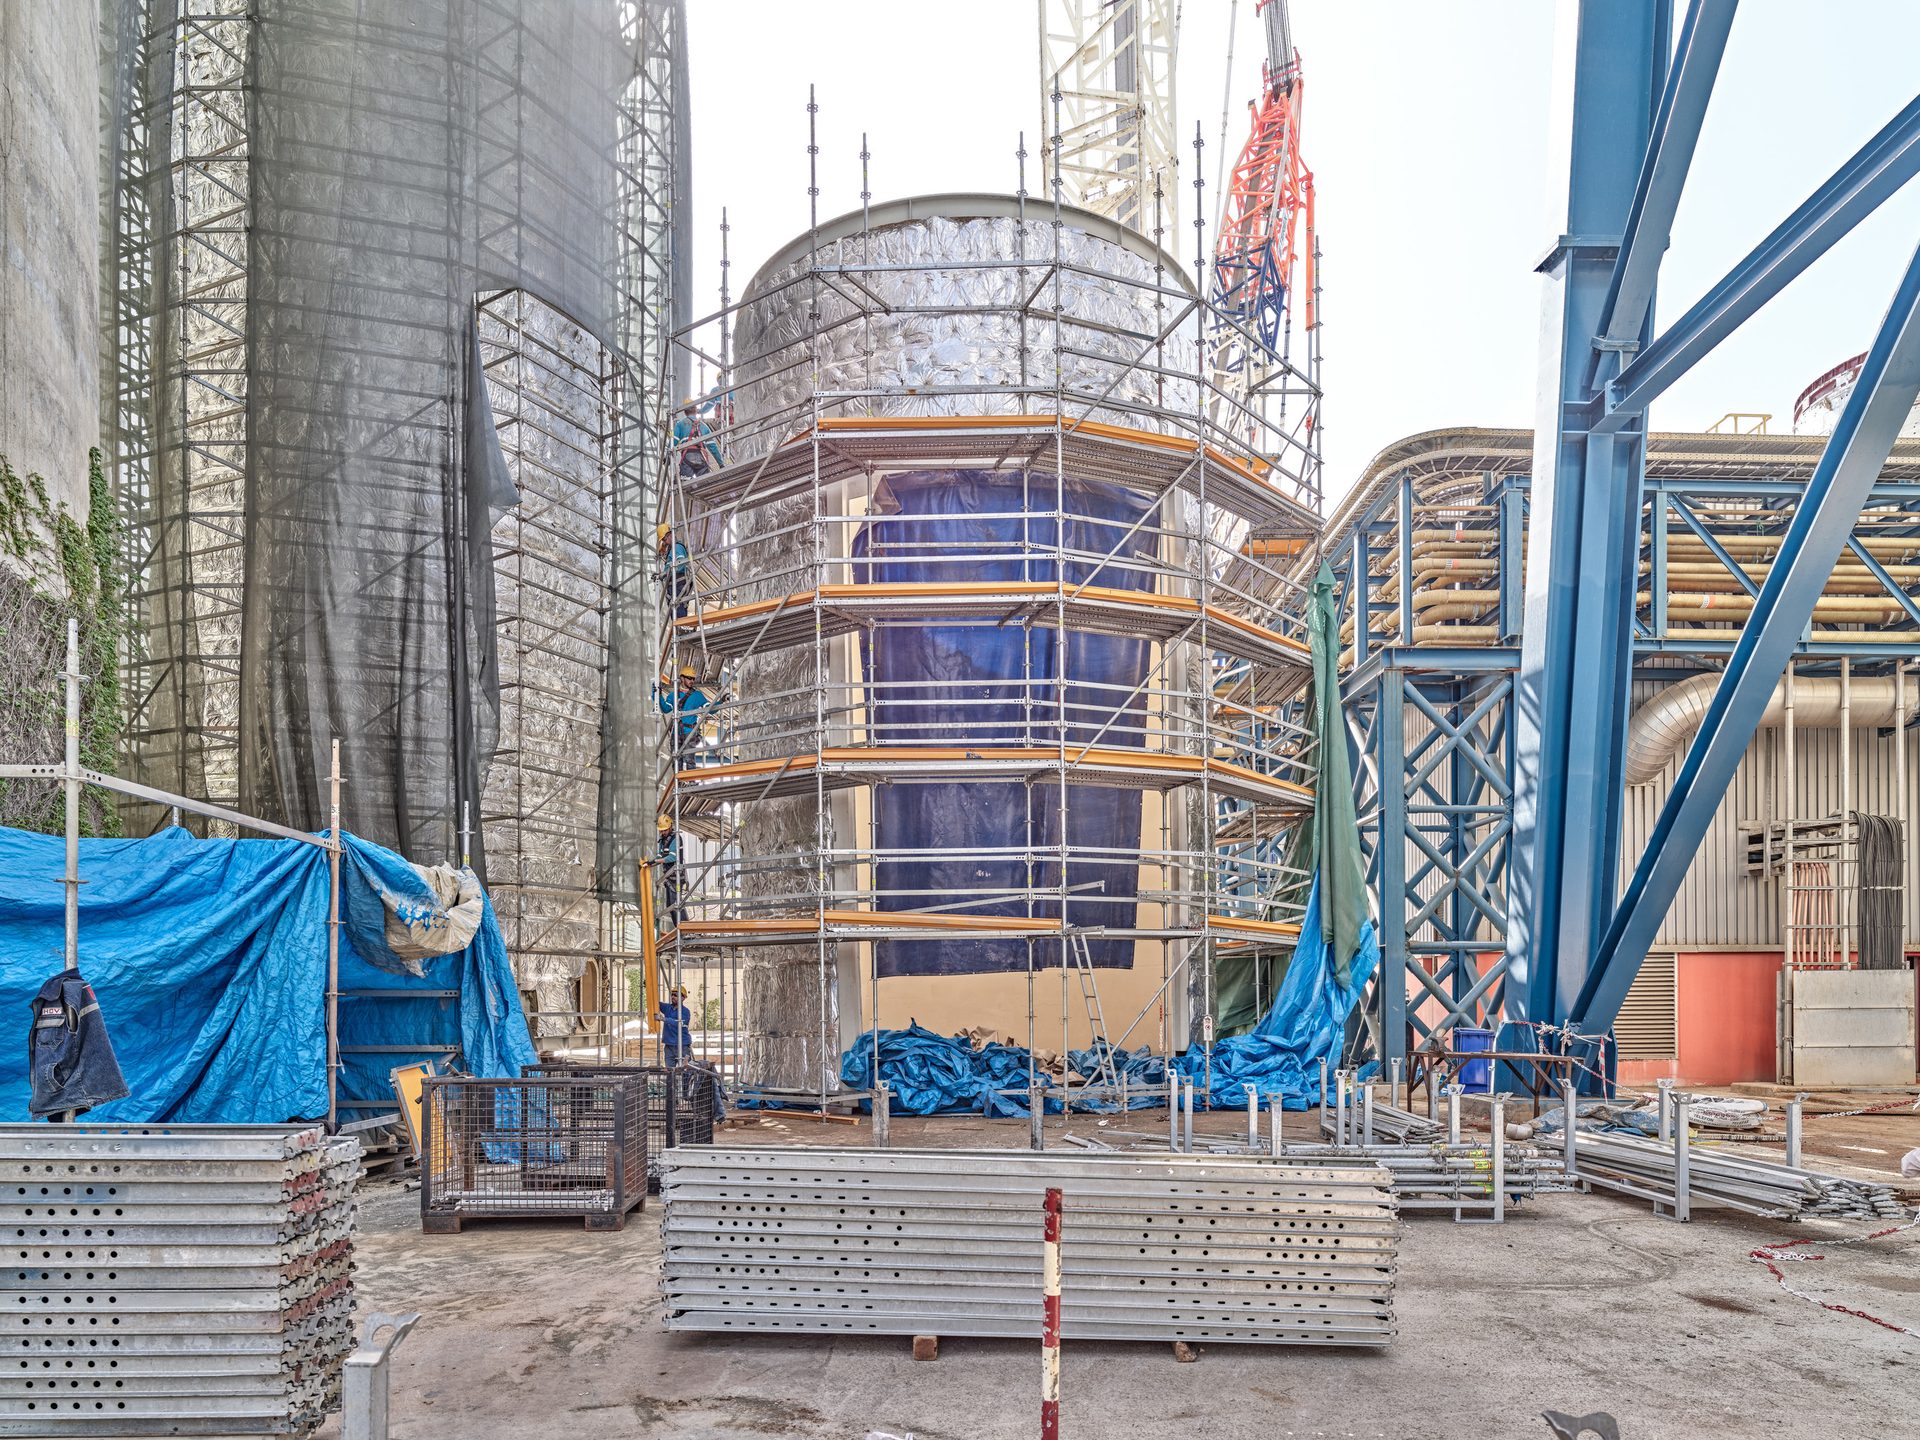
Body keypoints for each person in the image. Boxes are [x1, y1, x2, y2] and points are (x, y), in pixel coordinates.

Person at [656, 666, 720, 762]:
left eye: (693, 678)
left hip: (690, 732)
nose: (692, 681)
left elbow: (709, 710)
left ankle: (689, 776)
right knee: (676, 762)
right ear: (682, 678)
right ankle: (678, 777)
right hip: (676, 732)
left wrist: (721, 701)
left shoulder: (697, 695)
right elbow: (666, 709)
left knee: (689, 761)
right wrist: (658, 695)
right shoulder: (673, 695)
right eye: (689, 678)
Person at [671, 402, 722, 479]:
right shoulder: (704, 426)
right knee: (704, 483)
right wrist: (721, 463)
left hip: (686, 456)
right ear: (696, 411)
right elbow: (713, 447)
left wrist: (666, 456)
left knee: (685, 485)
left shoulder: (680, 424)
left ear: (685, 412)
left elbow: (673, 442)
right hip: (701, 457)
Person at [656, 523, 693, 618]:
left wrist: (665, 574)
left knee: (678, 610)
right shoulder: (672, 549)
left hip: (678, 583)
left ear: (670, 534)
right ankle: (679, 629)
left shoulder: (677, 547)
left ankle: (680, 629)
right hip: (675, 584)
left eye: (665, 538)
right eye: (664, 540)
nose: (666, 542)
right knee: (675, 611)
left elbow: (679, 565)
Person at [655, 813, 683, 925]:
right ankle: (679, 928)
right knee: (670, 905)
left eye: (664, 830)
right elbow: (659, 856)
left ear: (670, 826)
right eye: (661, 831)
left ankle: (685, 928)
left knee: (676, 904)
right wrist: (650, 863)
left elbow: (673, 857)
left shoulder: (675, 838)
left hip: (676, 877)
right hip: (669, 877)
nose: (662, 833)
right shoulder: (663, 841)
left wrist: (656, 861)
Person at [658, 983, 692, 1067]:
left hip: (682, 1045)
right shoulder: (667, 1008)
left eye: (676, 995)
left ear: (683, 998)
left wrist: (664, 1019)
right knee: (670, 1072)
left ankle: (686, 1080)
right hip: (669, 1046)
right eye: (672, 995)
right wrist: (648, 987)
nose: (673, 997)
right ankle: (671, 1080)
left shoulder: (685, 1012)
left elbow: (679, 1023)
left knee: (686, 1072)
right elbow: (654, 1002)